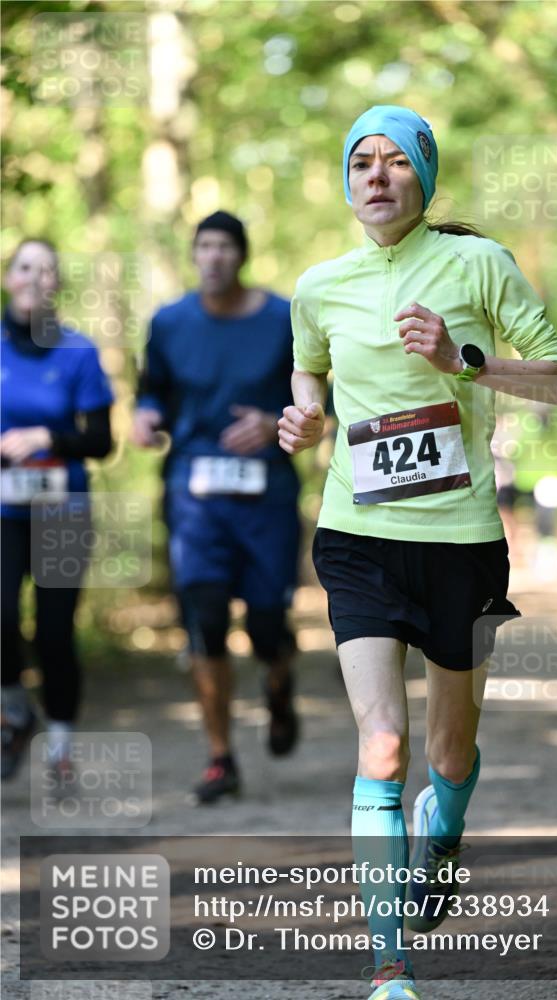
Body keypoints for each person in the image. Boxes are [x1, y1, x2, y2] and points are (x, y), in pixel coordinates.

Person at [279, 106, 557, 999]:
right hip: (357, 539)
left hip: (461, 546)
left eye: (394, 162)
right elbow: (307, 366)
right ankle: (389, 965)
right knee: (381, 746)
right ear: (344, 178)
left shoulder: (478, 263)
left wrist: (463, 358)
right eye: (359, 162)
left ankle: (441, 830)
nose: (375, 176)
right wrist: (307, 412)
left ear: (423, 176)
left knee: (447, 757)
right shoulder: (318, 284)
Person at [133, 211, 301, 806]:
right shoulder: (169, 321)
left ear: (242, 254)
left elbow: (315, 395)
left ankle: (279, 686)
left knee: (264, 627)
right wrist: (146, 414)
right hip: (194, 495)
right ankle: (220, 757)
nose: (213, 257)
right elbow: (151, 386)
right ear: (194, 254)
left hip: (267, 499)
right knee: (204, 622)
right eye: (203, 246)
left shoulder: (284, 317)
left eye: (225, 246)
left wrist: (275, 419)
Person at [1, 238, 114, 781]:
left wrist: (48, 434)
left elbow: (100, 442)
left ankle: (60, 746)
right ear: (9, 278)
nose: (34, 279)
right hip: (2, 511)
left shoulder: (78, 351)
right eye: (25, 268)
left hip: (61, 510)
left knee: (53, 633)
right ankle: (15, 707)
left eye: (47, 271)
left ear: (57, 287)